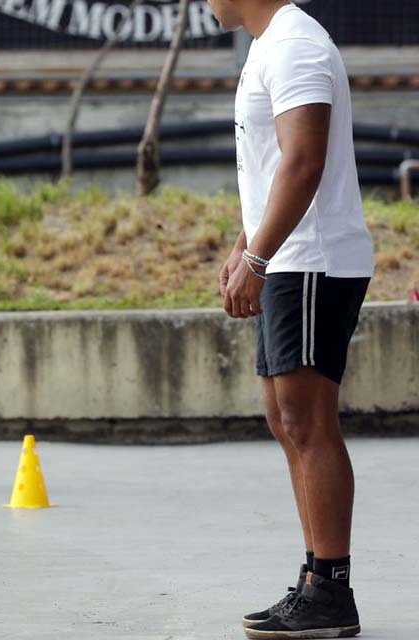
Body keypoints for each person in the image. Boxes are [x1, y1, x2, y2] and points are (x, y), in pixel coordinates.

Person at [209, 2, 374, 637]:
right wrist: (243, 244)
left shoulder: (296, 44)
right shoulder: (271, 43)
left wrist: (259, 253)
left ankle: (332, 588)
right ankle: (314, 581)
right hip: (289, 258)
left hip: (313, 260)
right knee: (285, 419)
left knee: (308, 421)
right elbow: (275, 169)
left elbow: (304, 162)